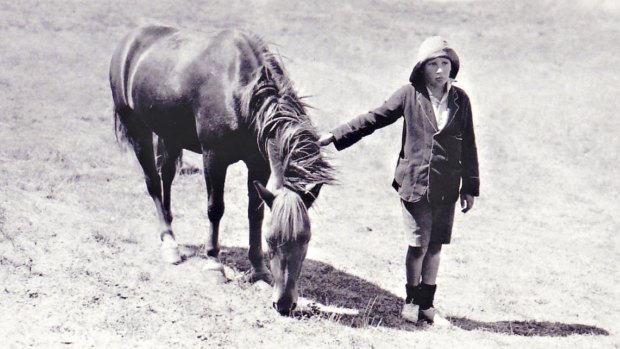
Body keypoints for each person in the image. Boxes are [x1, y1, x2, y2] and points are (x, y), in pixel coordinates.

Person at [319, 36, 479, 324]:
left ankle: (427, 306)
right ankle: (411, 301)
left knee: (435, 247)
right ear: (422, 68)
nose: (440, 70)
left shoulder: (461, 100)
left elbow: (469, 144)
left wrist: (470, 187)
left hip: (447, 188)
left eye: (445, 63)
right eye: (433, 64)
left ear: (452, 66)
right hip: (414, 184)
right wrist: (337, 134)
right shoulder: (409, 94)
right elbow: (376, 117)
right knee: (418, 246)